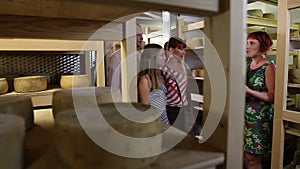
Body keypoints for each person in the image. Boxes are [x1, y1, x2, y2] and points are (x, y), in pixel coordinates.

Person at [244, 31, 275, 169]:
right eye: (246, 43)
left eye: (252, 43)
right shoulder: (247, 66)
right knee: (245, 156)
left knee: (252, 159)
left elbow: (272, 96)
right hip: (244, 116)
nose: (247, 46)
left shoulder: (268, 67)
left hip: (259, 119)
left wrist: (248, 91)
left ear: (262, 46)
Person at [161, 37, 198, 135]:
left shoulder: (183, 66)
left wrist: (190, 106)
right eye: (180, 49)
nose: (184, 52)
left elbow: (186, 89)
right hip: (171, 109)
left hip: (184, 107)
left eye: (184, 49)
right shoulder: (164, 68)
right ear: (171, 50)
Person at [138, 44, 169, 124]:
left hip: (164, 118)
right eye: (162, 55)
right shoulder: (145, 80)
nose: (165, 58)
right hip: (154, 121)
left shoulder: (160, 75)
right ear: (153, 58)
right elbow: (146, 107)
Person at [106, 23, 144, 91]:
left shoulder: (139, 55)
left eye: (141, 34)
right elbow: (113, 86)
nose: (141, 38)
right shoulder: (117, 57)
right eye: (137, 35)